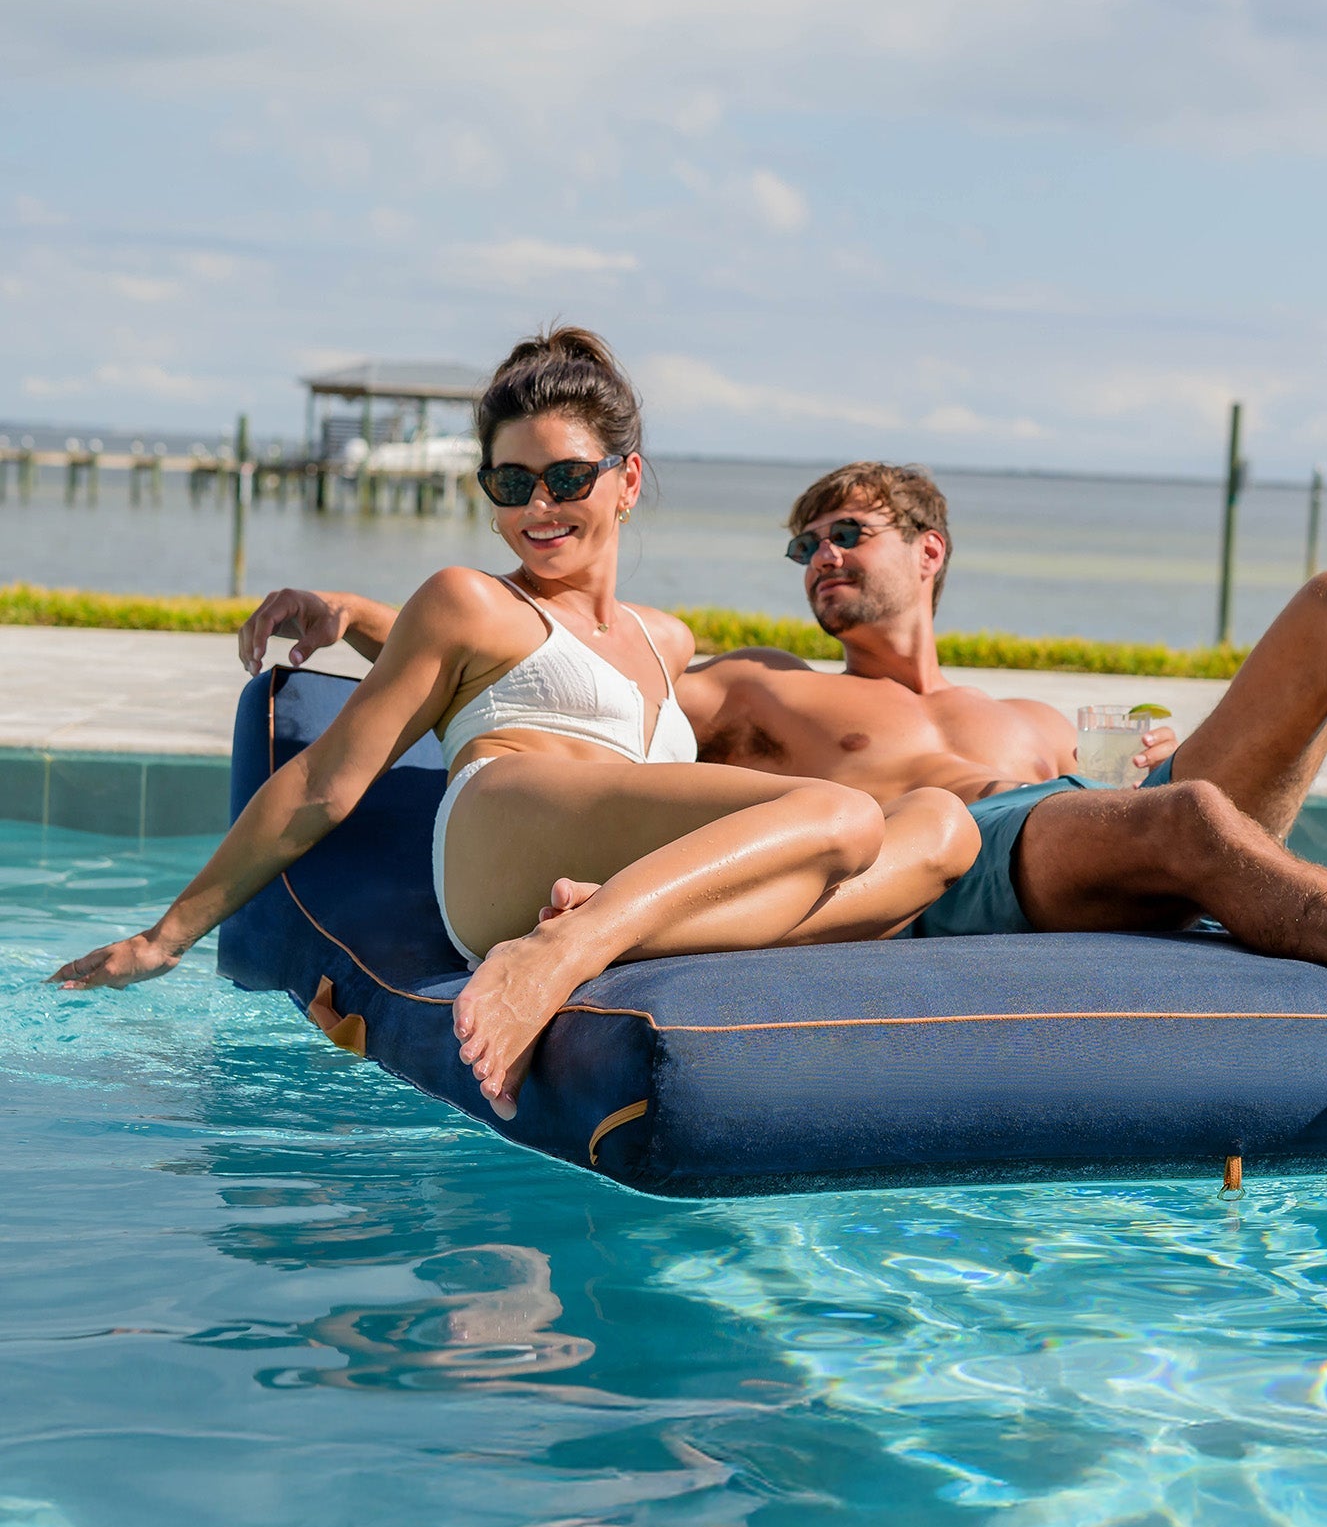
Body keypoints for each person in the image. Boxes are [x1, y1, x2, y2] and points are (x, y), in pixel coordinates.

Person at [241, 464, 1327, 1073]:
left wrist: (1132, 772)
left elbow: (1141, 790)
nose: (819, 561)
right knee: (1193, 819)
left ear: (931, 551)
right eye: (802, 548)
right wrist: (350, 615)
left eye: (846, 535)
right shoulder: (762, 689)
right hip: (970, 860)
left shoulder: (1024, 707)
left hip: (1102, 819)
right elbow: (544, 644)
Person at [53, 336, 979, 1120]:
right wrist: (164, 937)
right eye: (510, 481)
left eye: (567, 477)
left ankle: (608, 922)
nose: (539, 506)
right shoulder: (468, 601)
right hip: (503, 841)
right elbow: (323, 783)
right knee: (842, 819)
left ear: (627, 480)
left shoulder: (667, 641)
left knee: (943, 829)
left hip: (612, 876)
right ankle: (560, 948)